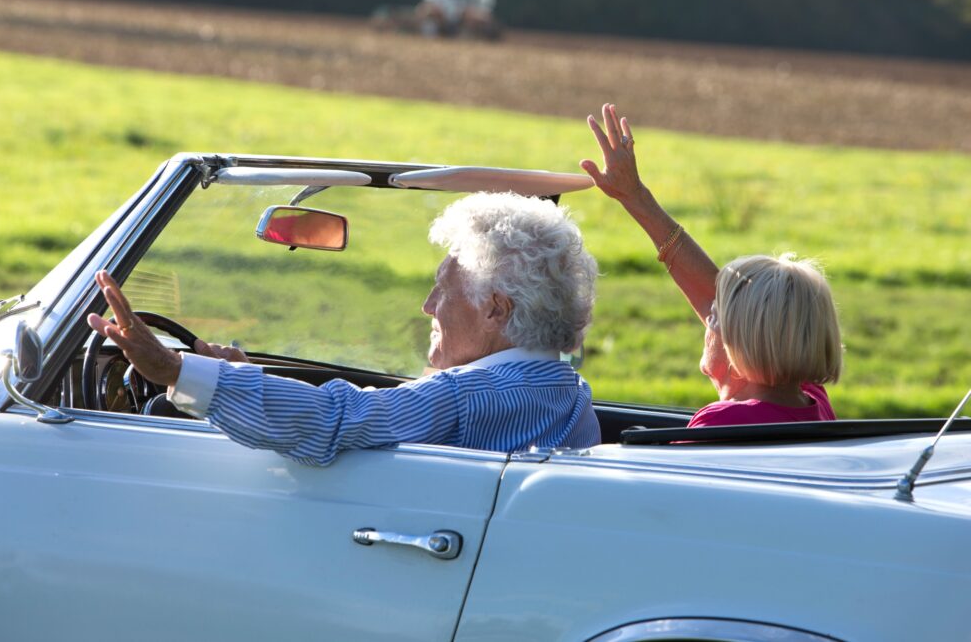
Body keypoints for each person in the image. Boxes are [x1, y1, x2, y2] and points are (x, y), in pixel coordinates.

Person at [88, 191, 601, 464]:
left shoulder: (462, 396)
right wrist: (248, 380)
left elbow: (338, 418)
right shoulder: (571, 393)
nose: (428, 307)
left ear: (495, 309)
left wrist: (176, 370)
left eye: (443, 290)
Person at [581, 103, 842, 427]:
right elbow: (718, 294)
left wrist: (635, 196)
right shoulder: (813, 402)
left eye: (715, 317)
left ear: (742, 346)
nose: (706, 313)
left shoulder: (721, 424)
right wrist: (634, 196)